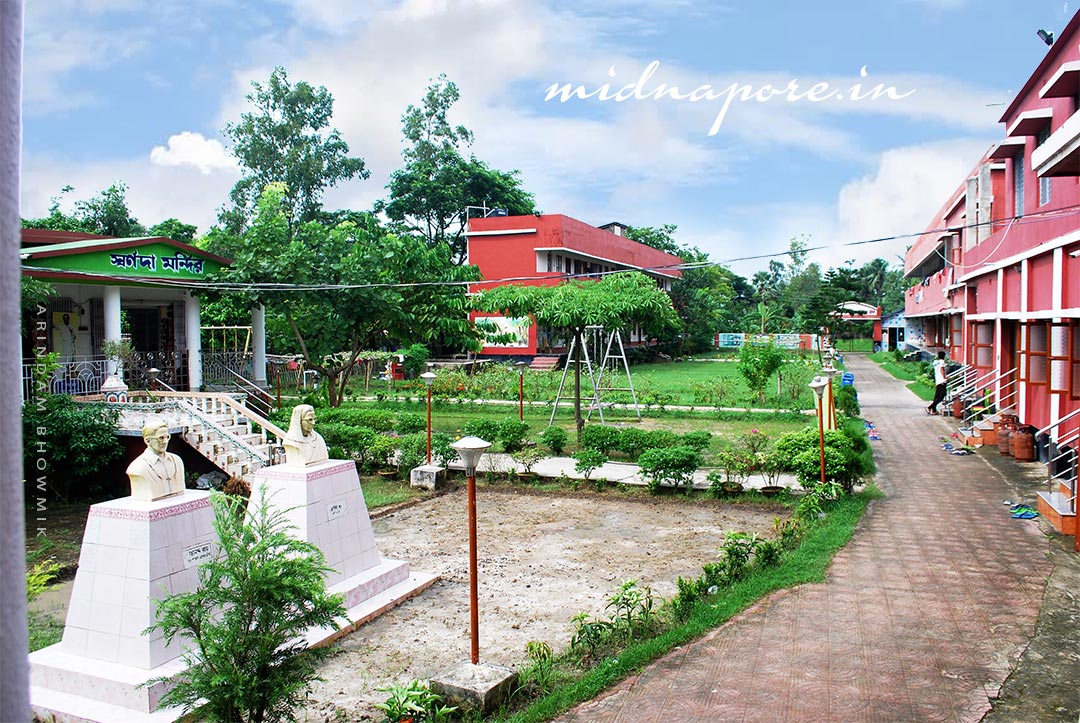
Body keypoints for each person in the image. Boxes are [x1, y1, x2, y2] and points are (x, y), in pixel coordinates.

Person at [127, 417, 186, 501]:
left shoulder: (177, 460)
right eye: (161, 438)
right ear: (148, 441)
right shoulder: (138, 467)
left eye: (167, 437)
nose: (165, 441)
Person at [927, 350, 948, 416]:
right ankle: (930, 407)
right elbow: (942, 370)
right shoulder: (942, 362)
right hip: (942, 381)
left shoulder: (936, 362)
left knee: (937, 396)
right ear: (944, 356)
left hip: (938, 381)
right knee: (941, 396)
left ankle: (934, 410)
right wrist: (945, 377)